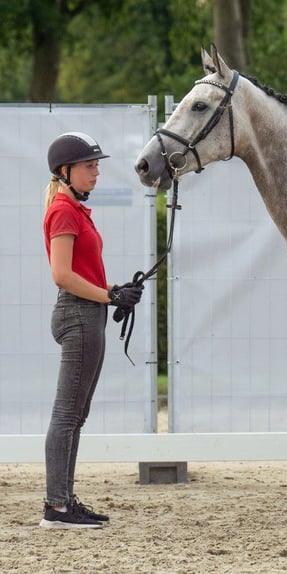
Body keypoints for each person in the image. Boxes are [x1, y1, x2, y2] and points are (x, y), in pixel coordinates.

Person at [39, 132, 143, 529]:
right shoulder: (65, 210)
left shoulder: (74, 210)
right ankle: (57, 507)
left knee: (75, 415)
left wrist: (114, 290)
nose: (96, 172)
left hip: (87, 313)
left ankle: (63, 501)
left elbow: (77, 272)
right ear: (66, 171)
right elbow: (61, 275)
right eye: (89, 166)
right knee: (67, 414)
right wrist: (107, 296)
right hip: (79, 316)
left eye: (97, 165)